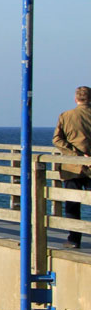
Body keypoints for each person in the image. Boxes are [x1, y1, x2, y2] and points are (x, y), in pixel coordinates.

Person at [53, 85, 91, 248]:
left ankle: (74, 239)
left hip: (71, 167)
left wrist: (74, 153)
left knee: (72, 204)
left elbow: (57, 139)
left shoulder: (66, 116)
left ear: (76, 99)